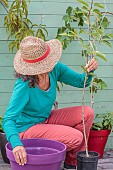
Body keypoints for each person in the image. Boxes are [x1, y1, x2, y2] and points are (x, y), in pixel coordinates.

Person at [2, 36, 98, 170]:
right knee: (76, 137)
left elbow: (80, 81)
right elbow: (8, 120)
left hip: (45, 118)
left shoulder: (55, 68)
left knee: (87, 113)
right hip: (27, 128)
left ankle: (71, 163)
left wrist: (90, 71)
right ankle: (47, 154)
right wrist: (17, 144)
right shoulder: (24, 84)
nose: (50, 62)